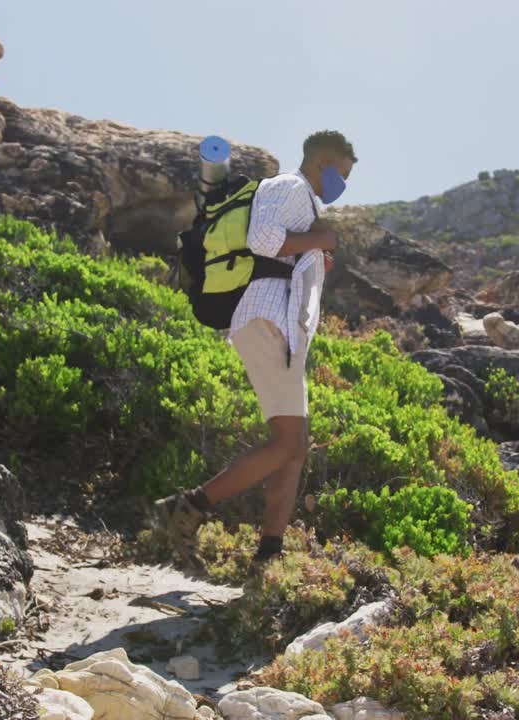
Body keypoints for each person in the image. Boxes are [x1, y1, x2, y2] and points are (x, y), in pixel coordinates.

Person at [154, 130, 357, 573]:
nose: (342, 185)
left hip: (282, 326)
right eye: (341, 174)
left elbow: (282, 250)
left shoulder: (303, 201)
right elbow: (263, 240)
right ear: (322, 160)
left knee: (296, 447)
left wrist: (313, 252)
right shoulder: (289, 187)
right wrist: (320, 241)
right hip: (267, 319)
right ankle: (184, 509)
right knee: (288, 441)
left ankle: (269, 553)